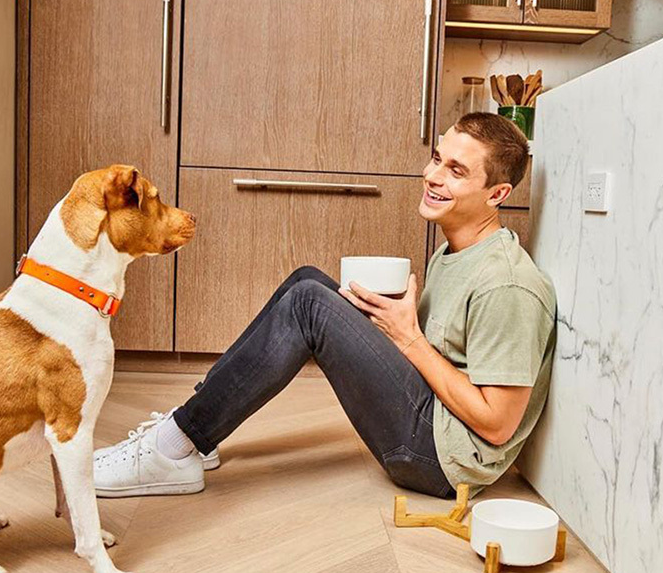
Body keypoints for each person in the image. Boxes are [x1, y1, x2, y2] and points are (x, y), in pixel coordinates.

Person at [93, 113, 556, 500]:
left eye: (457, 171)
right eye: (437, 158)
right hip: (429, 412)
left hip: (439, 459)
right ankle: (198, 431)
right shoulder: (455, 250)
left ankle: (176, 446)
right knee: (308, 282)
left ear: (497, 195)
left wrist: (407, 338)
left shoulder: (506, 285)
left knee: (311, 305)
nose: (433, 176)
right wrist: (388, 325)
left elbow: (497, 426)